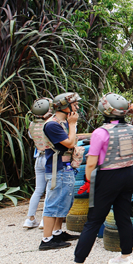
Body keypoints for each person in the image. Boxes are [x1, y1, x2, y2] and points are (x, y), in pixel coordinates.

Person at [66, 94, 133, 264]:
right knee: (123, 216)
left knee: (94, 220)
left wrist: (88, 180)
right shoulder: (131, 129)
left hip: (108, 177)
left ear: (105, 111)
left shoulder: (101, 132)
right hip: (128, 174)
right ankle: (126, 257)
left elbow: (91, 162)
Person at [39, 92, 83, 251]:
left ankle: (57, 233)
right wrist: (73, 124)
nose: (77, 107)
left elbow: (72, 138)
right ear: (64, 106)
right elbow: (70, 143)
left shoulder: (61, 123)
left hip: (66, 168)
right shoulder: (52, 125)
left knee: (63, 201)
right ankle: (46, 239)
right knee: (53, 203)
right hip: (58, 169)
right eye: (74, 104)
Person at [24, 97, 52, 229]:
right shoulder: (50, 124)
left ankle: (30, 218)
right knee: (49, 190)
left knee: (38, 190)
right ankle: (44, 220)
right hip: (49, 158)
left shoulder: (32, 125)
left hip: (38, 158)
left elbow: (31, 137)